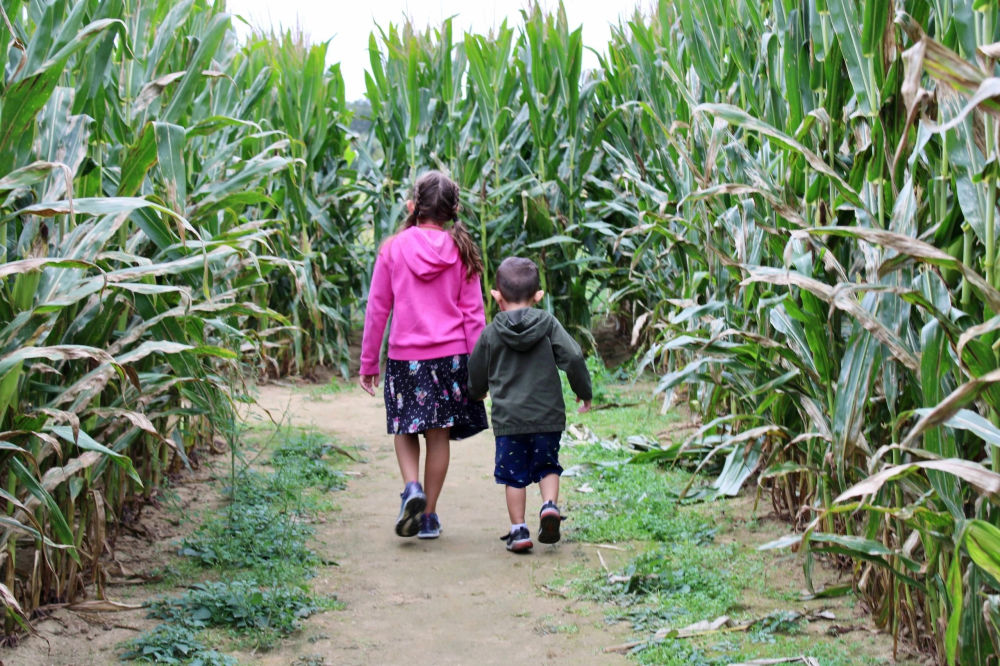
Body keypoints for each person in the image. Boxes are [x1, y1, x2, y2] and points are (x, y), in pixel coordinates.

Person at [359, 170, 488, 540]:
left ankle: (411, 487)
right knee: (438, 437)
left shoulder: (393, 248)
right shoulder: (462, 250)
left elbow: (377, 310)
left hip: (406, 360)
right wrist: (479, 370)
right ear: (452, 210)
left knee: (404, 427)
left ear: (413, 206)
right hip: (451, 360)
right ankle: (428, 514)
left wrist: (369, 363)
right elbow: (474, 316)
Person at [468, 257, 592, 553]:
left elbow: (476, 369)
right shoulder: (548, 324)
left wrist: (476, 392)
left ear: (496, 296)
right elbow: (573, 357)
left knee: (514, 476)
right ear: (539, 296)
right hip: (546, 417)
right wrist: (583, 389)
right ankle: (549, 506)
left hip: (509, 421)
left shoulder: (491, 333)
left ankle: (519, 530)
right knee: (548, 466)